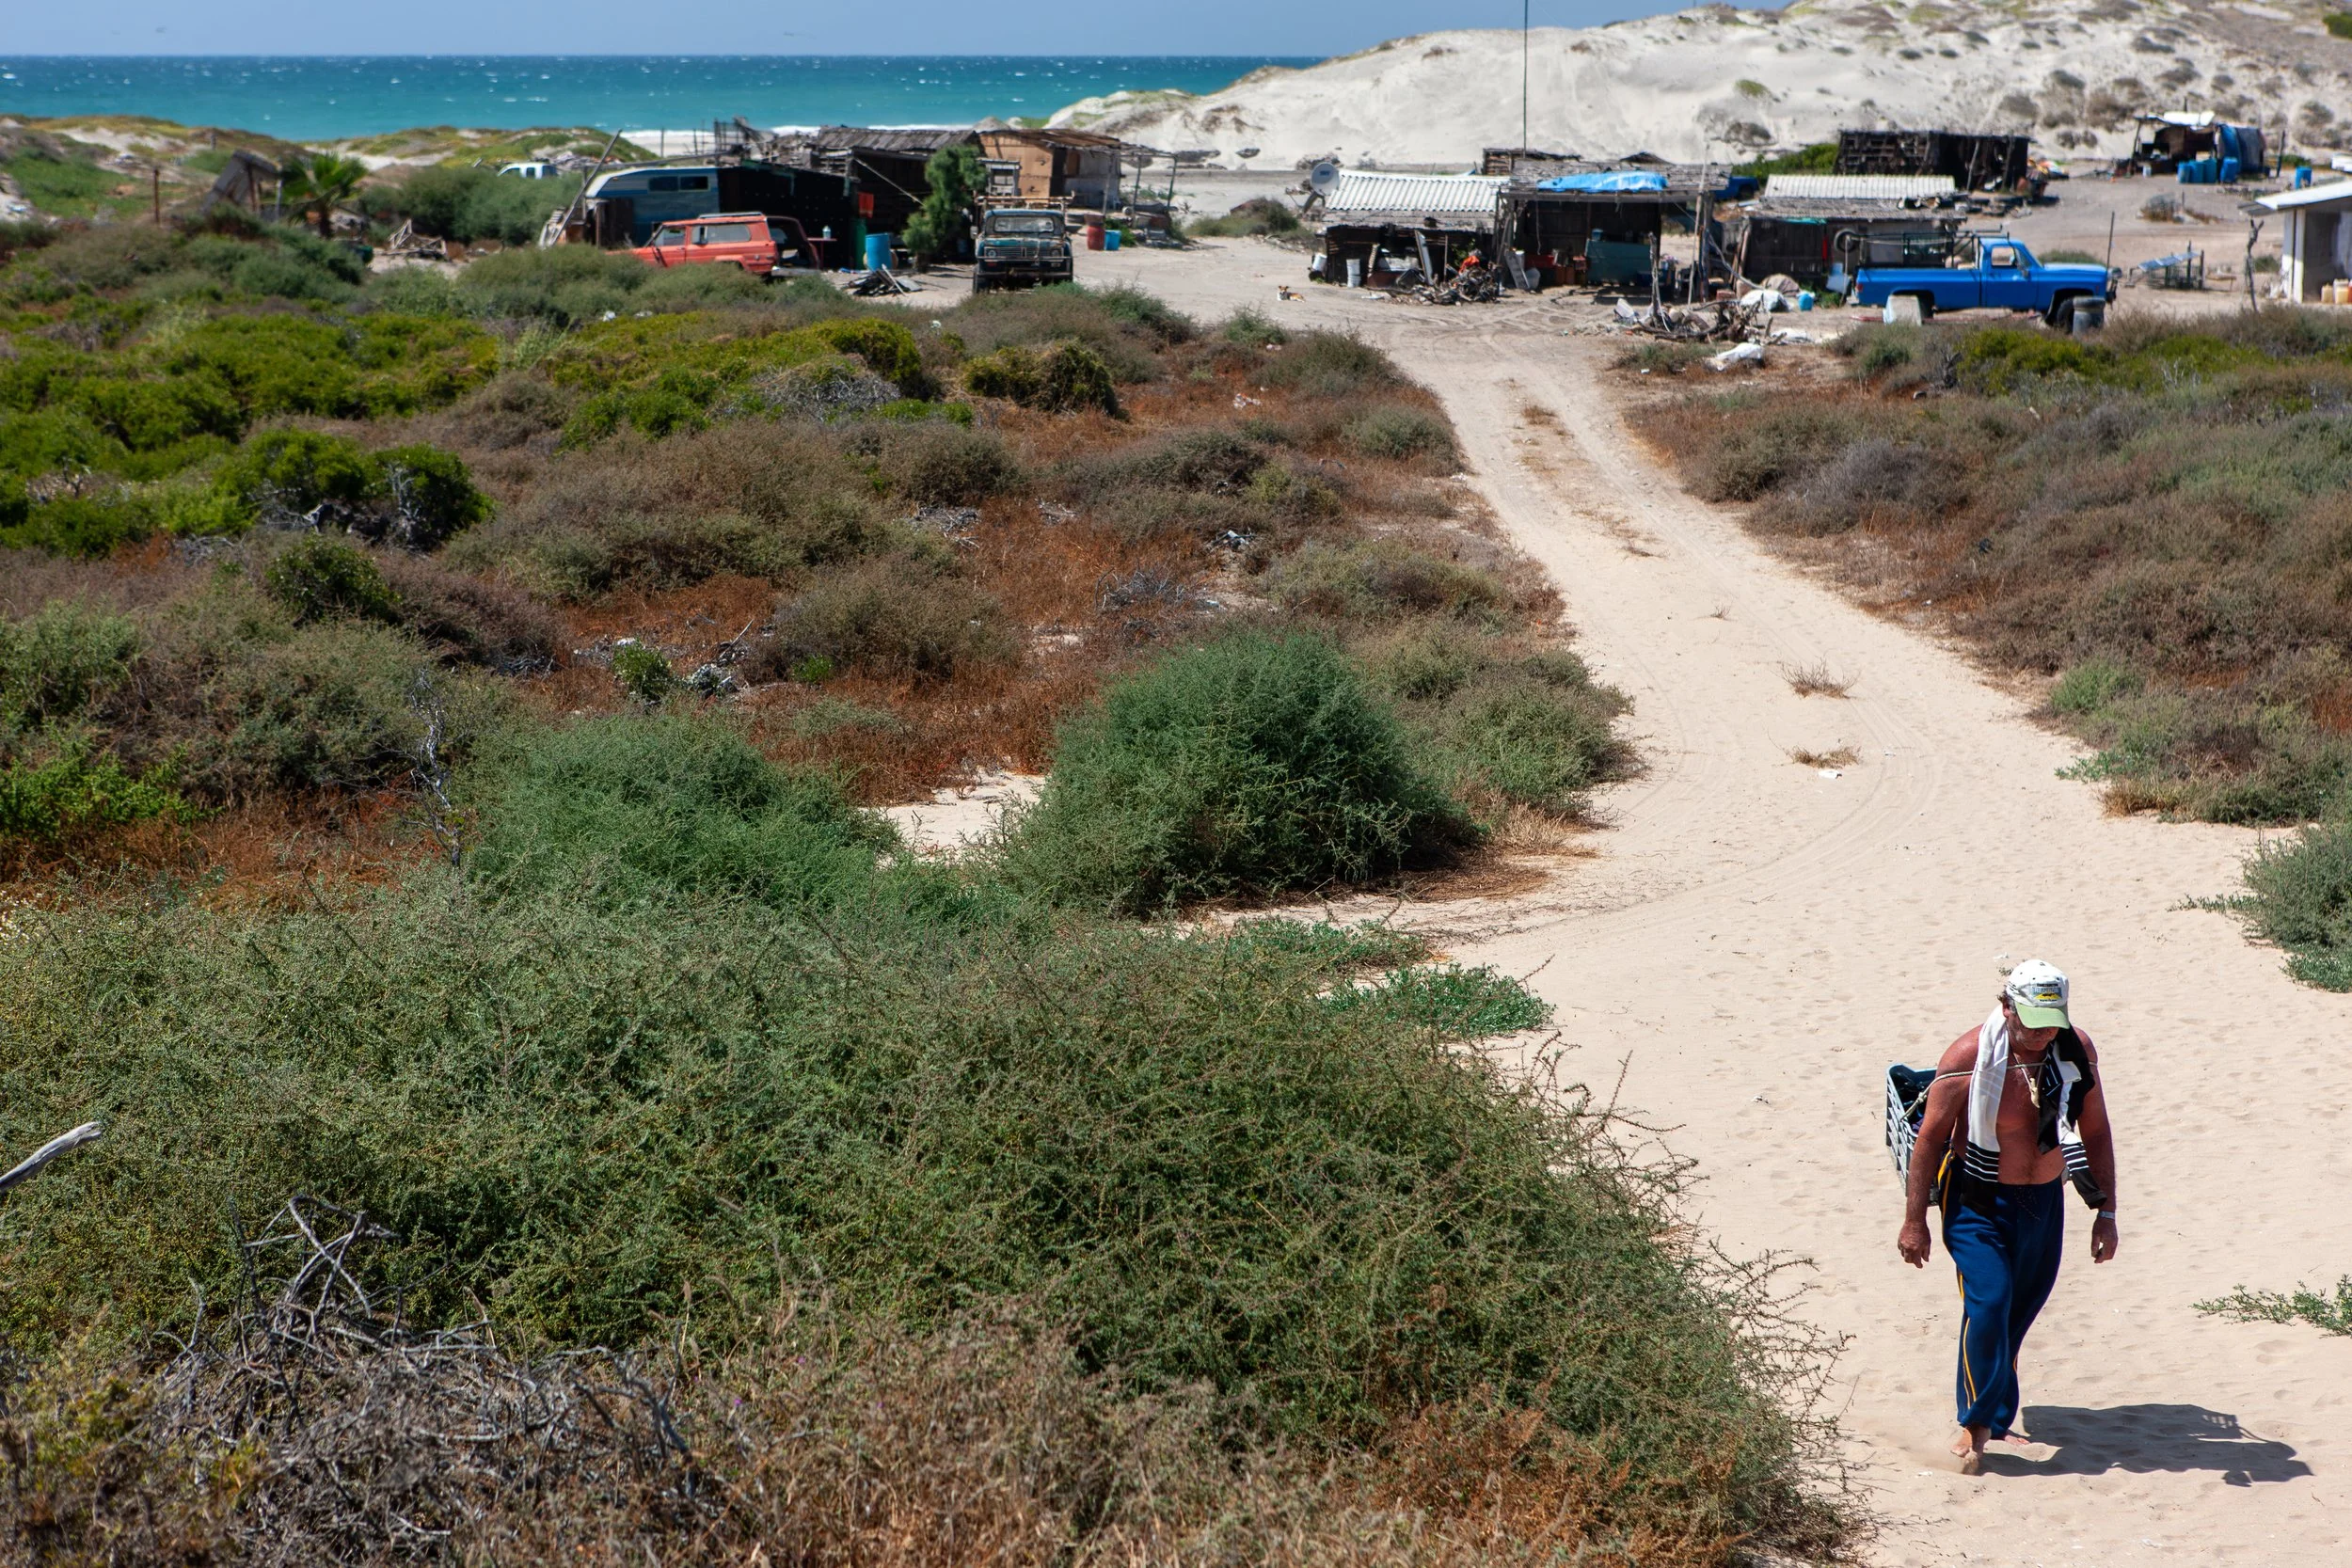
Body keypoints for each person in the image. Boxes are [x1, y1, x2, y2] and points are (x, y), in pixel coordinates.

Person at [1897, 959, 2118, 1474]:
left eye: (2051, 1021)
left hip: (2043, 1201)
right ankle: (1973, 1427)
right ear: (2006, 1007)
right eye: (2031, 1019)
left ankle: (1997, 1417)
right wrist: (1914, 1221)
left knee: (2018, 1314)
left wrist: (2106, 1211)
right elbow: (1929, 1140)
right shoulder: (1968, 1056)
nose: (2042, 1032)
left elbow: (2098, 1131)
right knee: (1990, 1302)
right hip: (1976, 1197)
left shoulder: (2075, 1050)